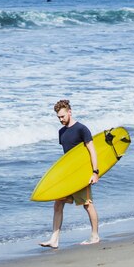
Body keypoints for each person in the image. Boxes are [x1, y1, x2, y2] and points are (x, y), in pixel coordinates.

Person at [40, 100, 100, 249]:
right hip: (67, 176)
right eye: (58, 117)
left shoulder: (82, 129)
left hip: (81, 175)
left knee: (87, 204)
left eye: (62, 116)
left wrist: (95, 172)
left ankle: (95, 236)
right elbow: (67, 157)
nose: (61, 120)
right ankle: (54, 239)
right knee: (58, 204)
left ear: (70, 112)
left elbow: (92, 151)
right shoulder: (61, 132)